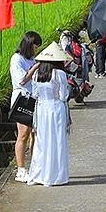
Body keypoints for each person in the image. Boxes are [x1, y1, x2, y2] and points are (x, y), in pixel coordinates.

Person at [23, 43, 72, 186]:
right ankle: (54, 175)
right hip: (56, 108)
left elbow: (35, 94)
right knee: (56, 141)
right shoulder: (60, 74)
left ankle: (39, 174)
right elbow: (63, 96)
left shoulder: (37, 74)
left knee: (41, 142)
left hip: (42, 109)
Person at [10, 31, 41, 183]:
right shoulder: (17, 59)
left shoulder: (31, 59)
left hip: (33, 97)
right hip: (22, 99)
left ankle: (34, 164)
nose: (36, 50)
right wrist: (34, 68)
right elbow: (21, 80)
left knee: (34, 132)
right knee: (23, 134)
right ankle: (21, 169)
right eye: (35, 47)